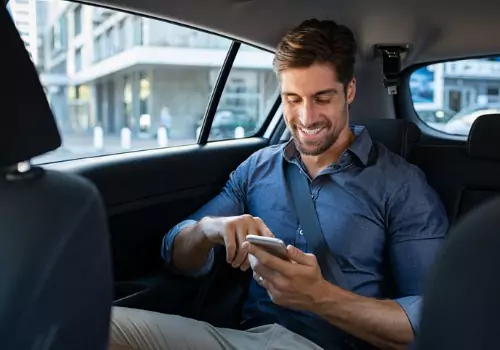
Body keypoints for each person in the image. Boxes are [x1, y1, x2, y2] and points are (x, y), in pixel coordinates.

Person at [108, 19, 448, 350]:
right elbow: (176, 255)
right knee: (97, 323)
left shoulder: (401, 184)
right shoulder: (258, 167)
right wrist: (209, 229)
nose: (306, 117)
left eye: (322, 98)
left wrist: (320, 297)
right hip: (245, 339)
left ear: (350, 91)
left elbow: (433, 320)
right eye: (293, 99)